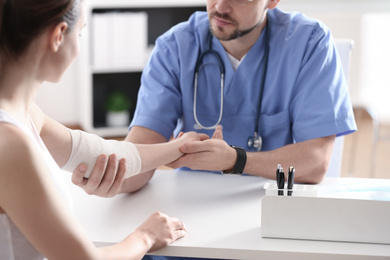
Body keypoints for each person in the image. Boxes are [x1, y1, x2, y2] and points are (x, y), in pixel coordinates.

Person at [72, 0, 356, 196]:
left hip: (273, 206)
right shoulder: (175, 48)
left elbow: (315, 162)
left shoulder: (310, 43)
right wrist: (109, 177)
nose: (220, 6)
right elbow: (139, 156)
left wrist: (235, 160)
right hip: (191, 212)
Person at [0, 0, 210, 259]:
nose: (79, 46)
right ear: (57, 37)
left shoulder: (23, 113)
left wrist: (179, 147)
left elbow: (103, 153)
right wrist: (145, 236)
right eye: (80, 33)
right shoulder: (9, 144)